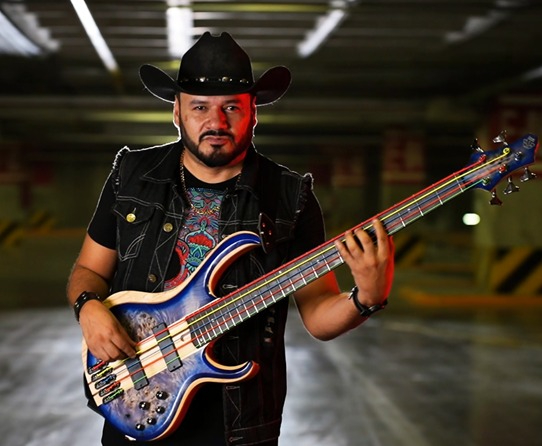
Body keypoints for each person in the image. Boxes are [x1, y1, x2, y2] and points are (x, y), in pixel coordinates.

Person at [67, 32, 394, 446]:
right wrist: (88, 307)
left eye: (232, 107)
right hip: (135, 400)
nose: (216, 122)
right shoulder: (131, 176)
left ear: (253, 113)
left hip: (238, 425)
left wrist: (366, 297)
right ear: (177, 111)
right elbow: (89, 270)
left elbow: (317, 315)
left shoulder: (289, 197)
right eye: (200, 107)